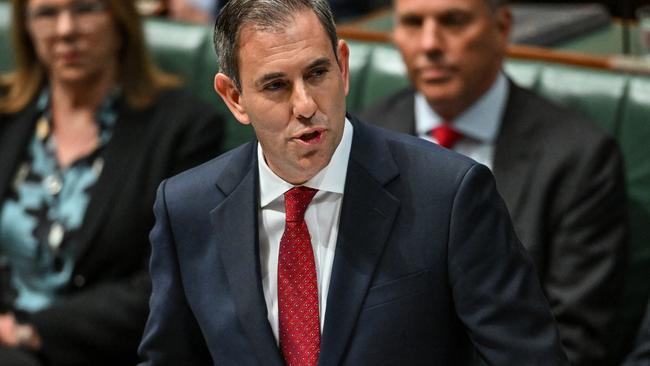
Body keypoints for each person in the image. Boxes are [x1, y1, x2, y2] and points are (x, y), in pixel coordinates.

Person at [138, 0, 569, 365]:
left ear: (343, 67)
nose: (305, 105)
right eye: (275, 86)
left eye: (317, 74)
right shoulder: (185, 207)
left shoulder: (449, 195)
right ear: (234, 98)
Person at [360, 0, 628, 365]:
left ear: (501, 28)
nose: (429, 44)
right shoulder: (362, 139)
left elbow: (573, 342)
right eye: (412, 23)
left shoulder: (579, 157)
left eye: (453, 21)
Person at [0, 0, 224, 365]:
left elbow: (169, 284)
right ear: (25, 29)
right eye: (46, 14)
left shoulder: (183, 129)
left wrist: (29, 331)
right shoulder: (7, 115)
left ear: (121, 20)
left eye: (85, 9)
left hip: (96, 351)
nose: (65, 30)